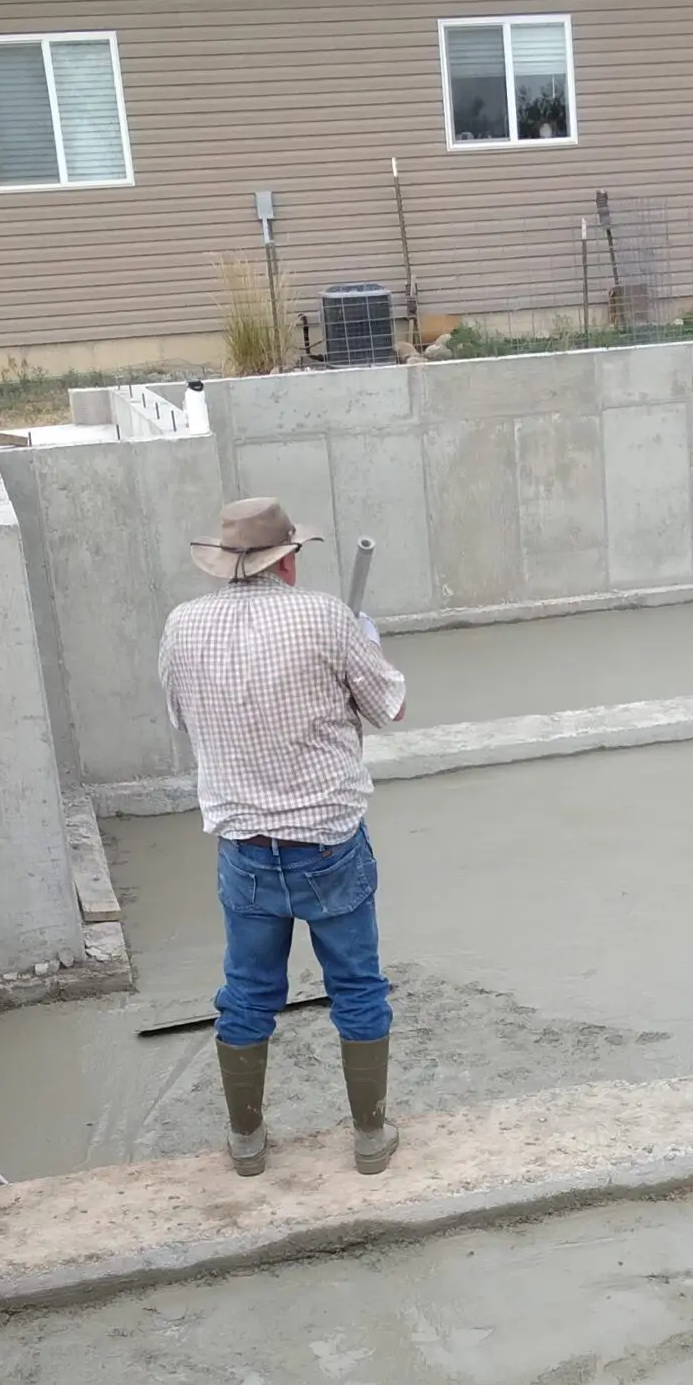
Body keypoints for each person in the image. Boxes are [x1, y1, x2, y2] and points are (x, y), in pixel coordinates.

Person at [160, 497, 407, 1177]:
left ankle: (245, 1144)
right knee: (357, 987)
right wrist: (369, 643)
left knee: (246, 992)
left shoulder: (182, 626)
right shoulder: (328, 617)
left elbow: (182, 718)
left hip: (245, 846)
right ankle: (370, 1139)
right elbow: (390, 707)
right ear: (287, 558)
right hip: (328, 841)